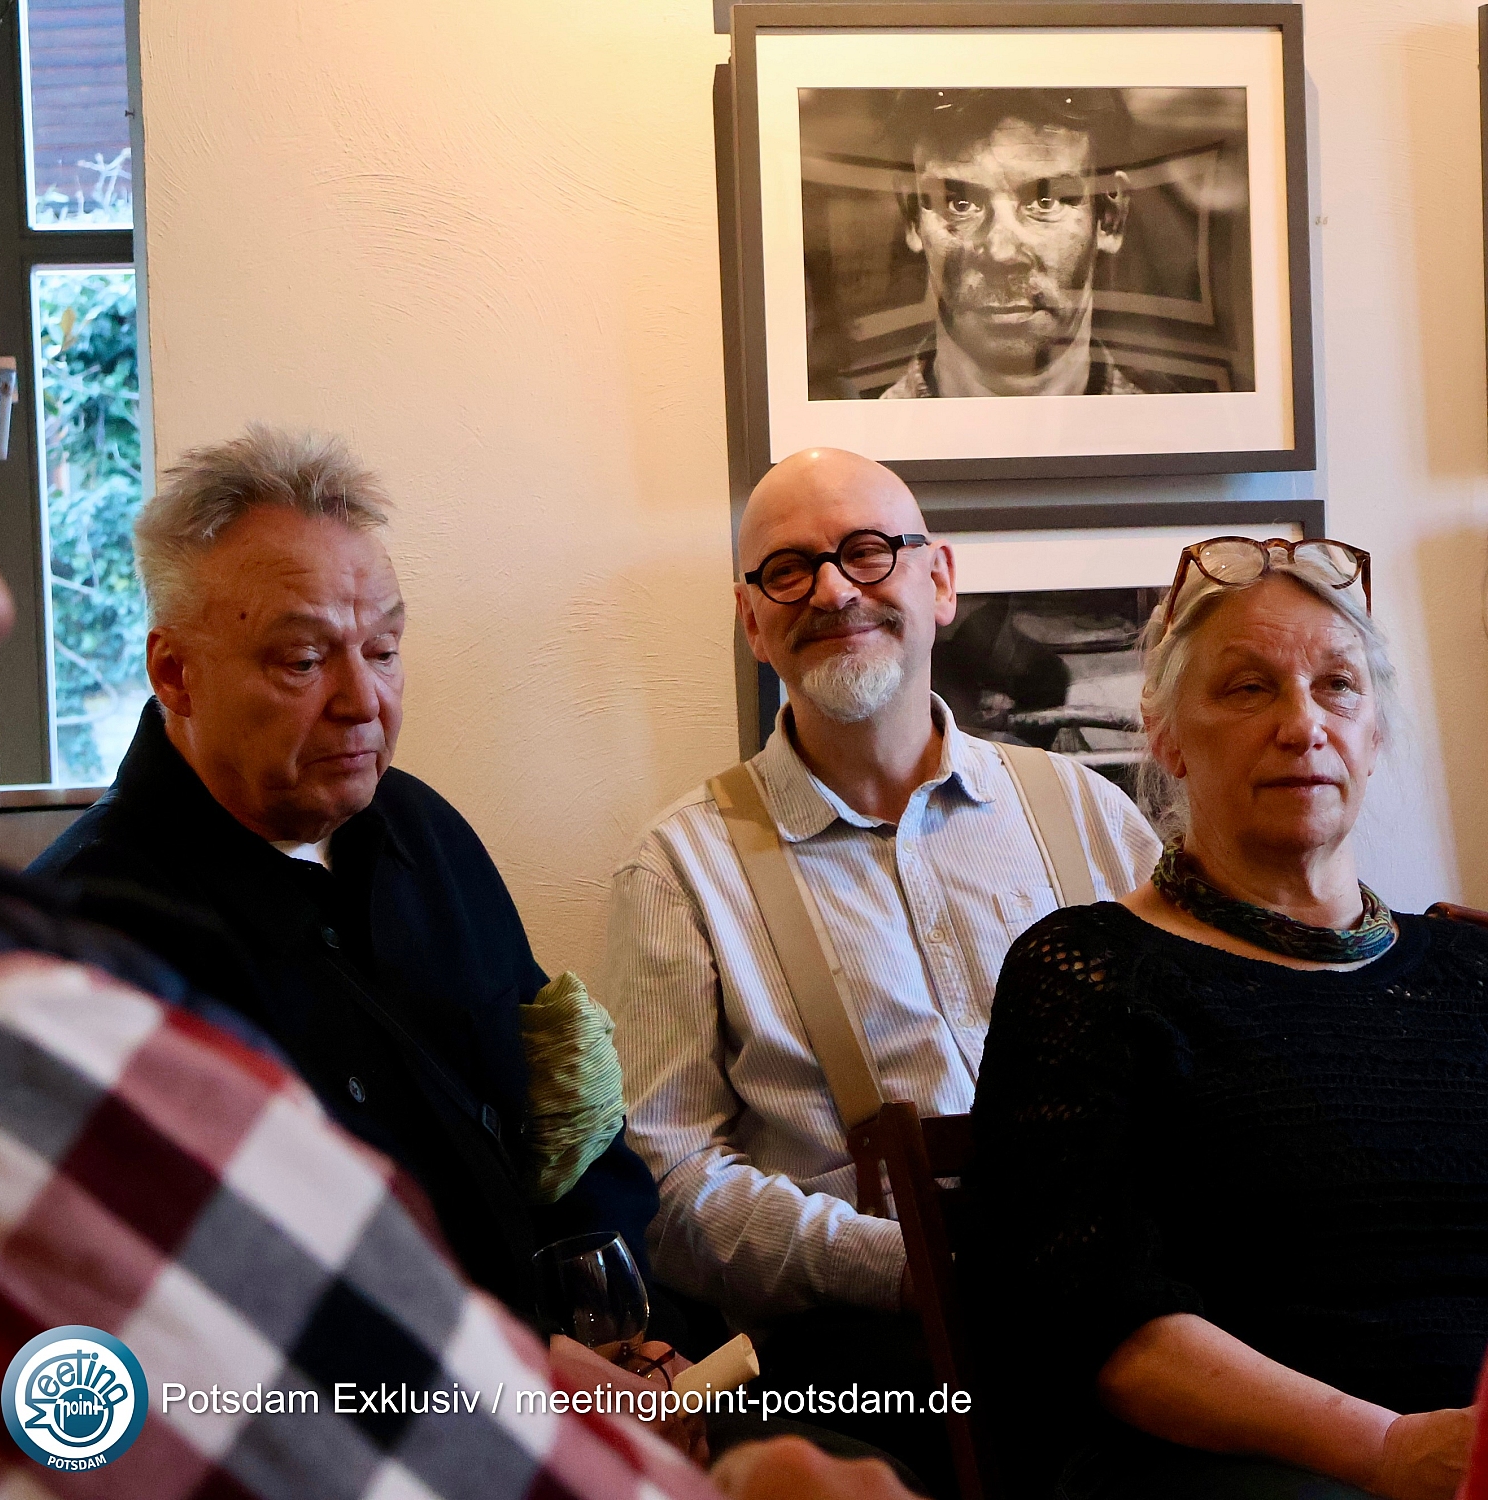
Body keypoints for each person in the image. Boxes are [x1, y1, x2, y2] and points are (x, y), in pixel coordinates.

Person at [606, 447, 1160, 1491]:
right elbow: (668, 1192)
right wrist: (906, 1270)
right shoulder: (678, 870)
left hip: (1135, 1311)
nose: (831, 590)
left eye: (868, 551)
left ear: (939, 581)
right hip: (867, 1367)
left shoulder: (1090, 813)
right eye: (788, 570)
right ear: (753, 619)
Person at [31, 425, 657, 1328]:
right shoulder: (89, 943)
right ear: (175, 673)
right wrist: (503, 1371)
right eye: (304, 659)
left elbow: (571, 1130)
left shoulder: (424, 831)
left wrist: (617, 1314)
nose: (364, 700)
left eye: (385, 649)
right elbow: (166, 1301)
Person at [968, 536, 1488, 1500]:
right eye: (1249, 689)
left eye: (1338, 687)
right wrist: (1388, 1449)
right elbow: (1094, 1323)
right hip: (1246, 1473)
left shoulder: (1472, 969)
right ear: (1165, 736)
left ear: (1375, 733)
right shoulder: (1089, 971)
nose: (1303, 725)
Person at [882, 89, 1138, 400]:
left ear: (1110, 218)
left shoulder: (1174, 427)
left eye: (1045, 201)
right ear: (912, 216)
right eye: (960, 204)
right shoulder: (855, 429)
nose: (1001, 253)